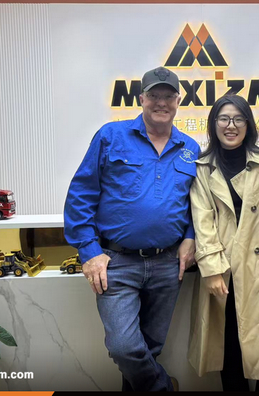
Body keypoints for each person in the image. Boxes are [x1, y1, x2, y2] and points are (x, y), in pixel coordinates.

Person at [64, 66, 199, 391]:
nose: (161, 102)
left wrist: (191, 236)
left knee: (149, 350)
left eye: (168, 96)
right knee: (124, 347)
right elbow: (81, 194)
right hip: (116, 262)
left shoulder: (190, 148)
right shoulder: (111, 136)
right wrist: (89, 251)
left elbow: (198, 202)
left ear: (178, 101)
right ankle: (165, 388)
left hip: (167, 263)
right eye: (154, 95)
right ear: (141, 98)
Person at [187, 94, 259, 391]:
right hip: (224, 268)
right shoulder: (203, 167)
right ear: (214, 124)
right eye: (223, 118)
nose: (230, 125)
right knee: (229, 349)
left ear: (248, 125)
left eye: (238, 119)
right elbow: (202, 220)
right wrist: (211, 269)